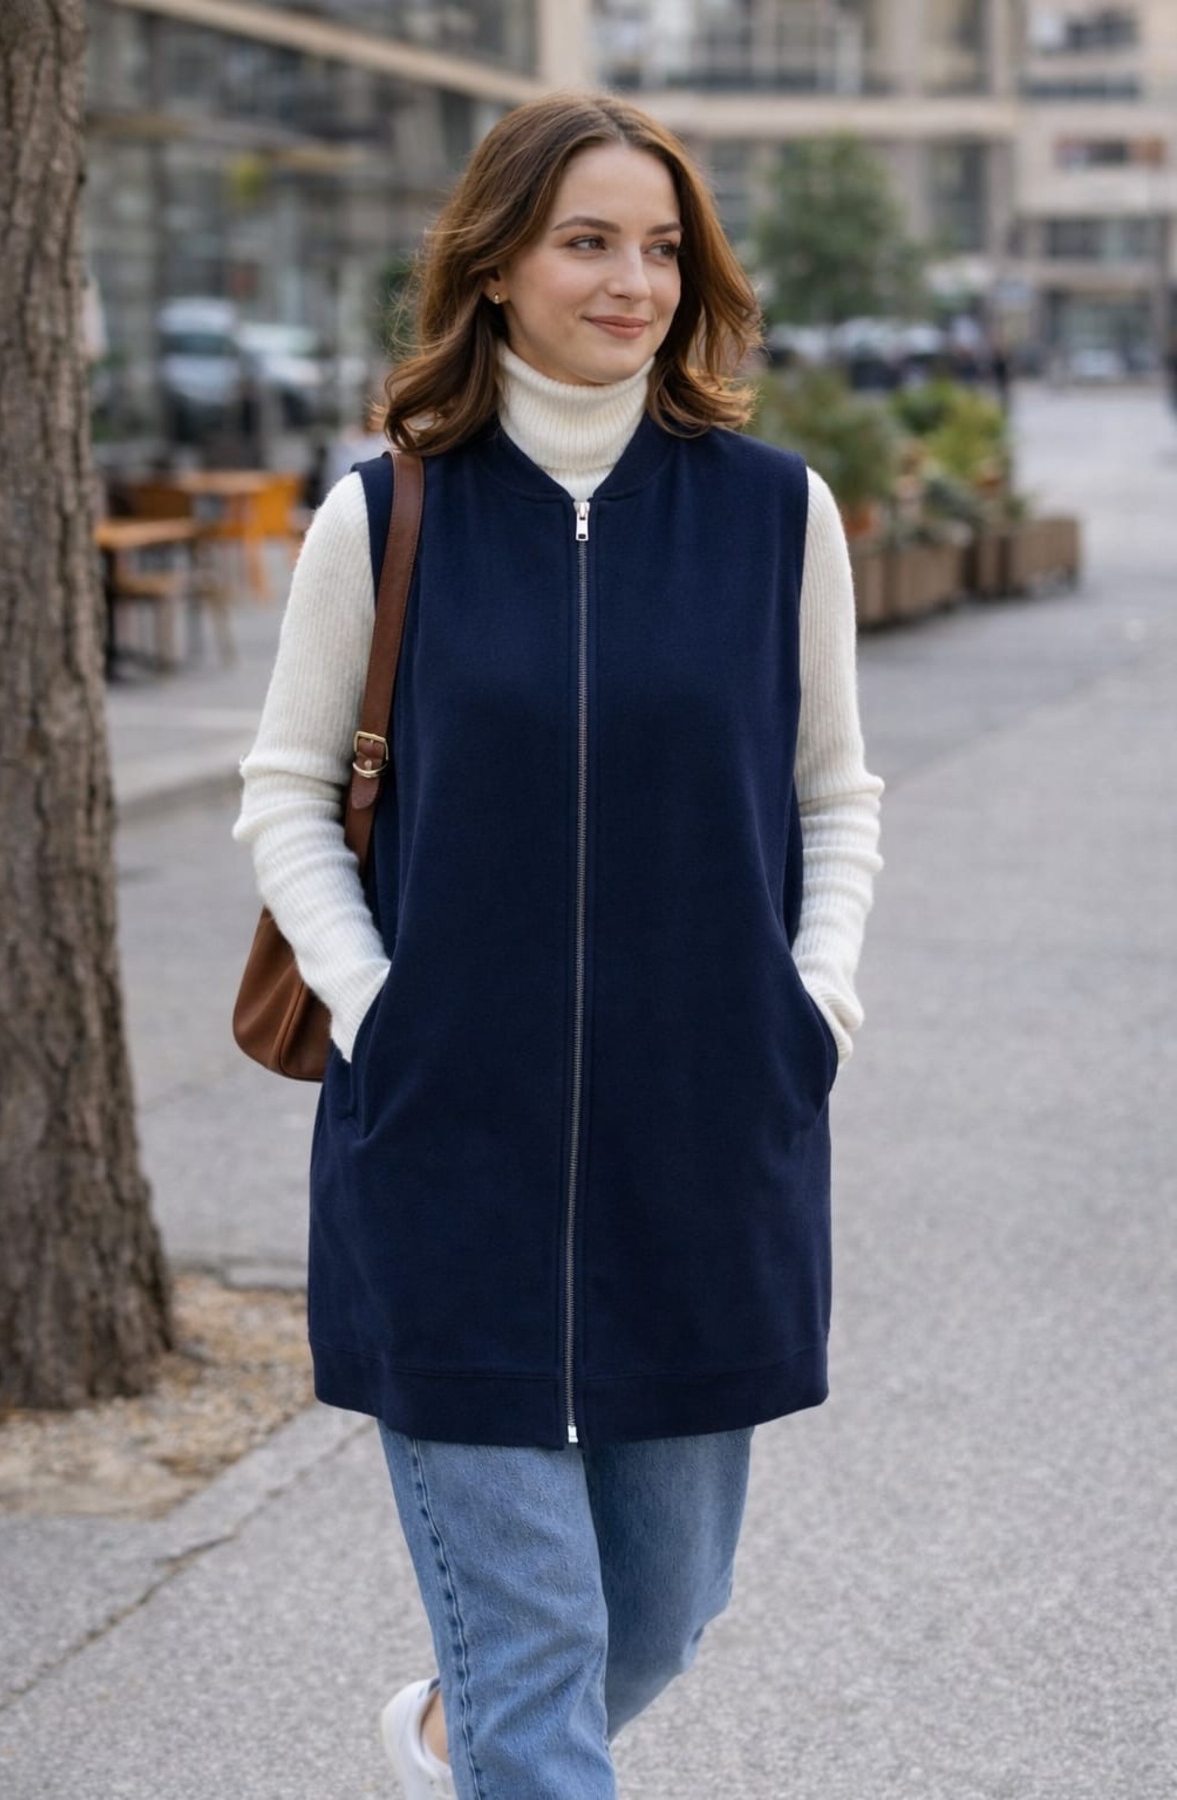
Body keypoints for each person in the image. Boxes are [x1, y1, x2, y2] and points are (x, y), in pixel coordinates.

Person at [235, 91, 882, 1800]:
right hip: (449, 1150)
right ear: (496, 264)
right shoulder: (387, 514)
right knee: (538, 1659)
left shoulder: (775, 514)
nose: (632, 282)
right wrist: (381, 1011)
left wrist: (812, 1003)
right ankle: (501, 1737)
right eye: (588, 242)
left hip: (706, 1148)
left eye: (661, 248)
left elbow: (836, 791)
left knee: (654, 1621)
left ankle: (444, 1743)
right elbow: (286, 790)